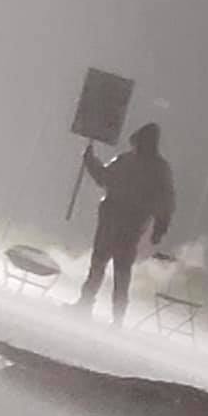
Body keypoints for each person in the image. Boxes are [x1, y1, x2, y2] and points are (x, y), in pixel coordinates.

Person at [76, 123, 175, 326]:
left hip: (121, 221)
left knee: (106, 266)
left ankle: (97, 308)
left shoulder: (133, 163)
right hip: (126, 222)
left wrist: (90, 162)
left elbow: (104, 178)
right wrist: (160, 227)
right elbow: (166, 201)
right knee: (114, 268)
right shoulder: (157, 168)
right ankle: (111, 314)